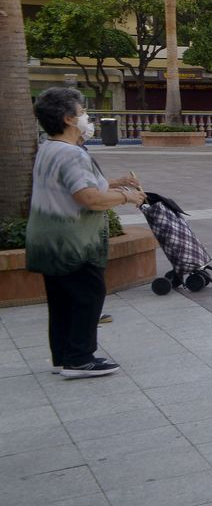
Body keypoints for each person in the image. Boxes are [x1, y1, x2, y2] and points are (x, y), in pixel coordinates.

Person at [26, 87, 145, 380]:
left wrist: (114, 183)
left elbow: (73, 186)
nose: (86, 118)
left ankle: (63, 356)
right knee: (88, 295)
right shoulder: (71, 154)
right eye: (82, 113)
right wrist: (128, 197)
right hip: (72, 242)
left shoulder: (48, 147)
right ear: (68, 119)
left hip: (47, 239)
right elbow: (89, 199)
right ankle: (80, 358)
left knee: (61, 300)